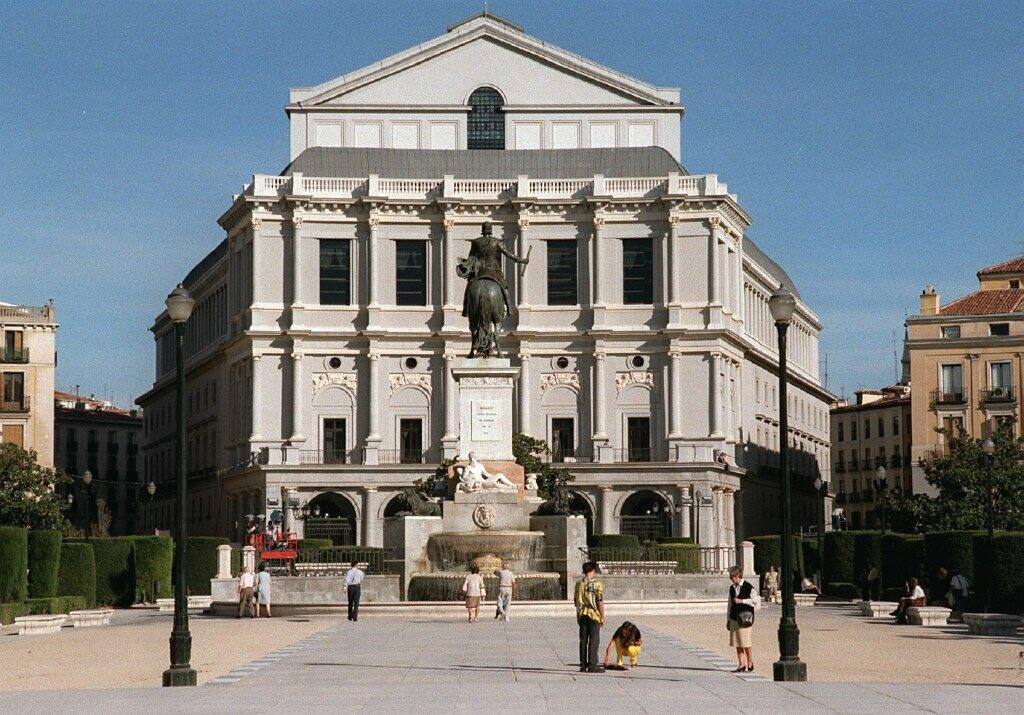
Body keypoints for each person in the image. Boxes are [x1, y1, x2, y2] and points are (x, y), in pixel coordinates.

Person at [574, 561, 605, 673]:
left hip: (582, 614)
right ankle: (592, 665)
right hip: (593, 614)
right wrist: (602, 616)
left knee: (583, 640)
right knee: (593, 640)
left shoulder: (578, 584)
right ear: (592, 571)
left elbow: (576, 601)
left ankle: (583, 665)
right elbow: (600, 601)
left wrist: (578, 615)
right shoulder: (597, 585)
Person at [727, 565, 756, 672]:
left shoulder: (749, 587)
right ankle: (741, 664)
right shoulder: (731, 588)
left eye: (731, 576)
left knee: (746, 642)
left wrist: (742, 601)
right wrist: (728, 620)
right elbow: (729, 604)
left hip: (745, 618)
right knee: (737, 642)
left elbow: (755, 601)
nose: (730, 578)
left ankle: (750, 661)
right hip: (734, 617)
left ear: (737, 575)